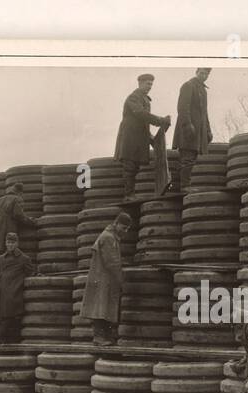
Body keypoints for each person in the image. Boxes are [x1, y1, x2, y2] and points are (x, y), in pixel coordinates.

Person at [114, 73, 171, 201]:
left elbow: (144, 122)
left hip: (139, 138)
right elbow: (141, 114)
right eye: (147, 83)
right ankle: (129, 195)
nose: (150, 86)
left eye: (151, 84)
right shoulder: (133, 97)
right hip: (129, 138)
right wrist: (160, 120)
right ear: (140, 83)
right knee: (129, 166)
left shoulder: (145, 100)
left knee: (135, 167)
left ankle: (131, 194)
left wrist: (152, 139)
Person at [82, 212, 131, 347]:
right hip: (103, 279)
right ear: (116, 224)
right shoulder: (109, 237)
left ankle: (106, 337)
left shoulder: (111, 237)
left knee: (105, 308)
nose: (125, 231)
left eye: (127, 229)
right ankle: (99, 337)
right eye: (123, 228)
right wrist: (121, 280)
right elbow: (112, 263)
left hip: (104, 278)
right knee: (101, 308)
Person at [0, 232, 32, 348]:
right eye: (8, 242)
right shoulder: (1, 259)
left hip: (12, 292)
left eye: (13, 242)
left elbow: (31, 272)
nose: (10, 245)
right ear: (5, 243)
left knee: (7, 317)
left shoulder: (24, 259)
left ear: (17, 243)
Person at [173, 67, 212, 193]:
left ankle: (185, 184)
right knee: (187, 157)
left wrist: (208, 130)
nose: (204, 75)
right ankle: (184, 186)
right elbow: (182, 108)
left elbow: (204, 113)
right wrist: (187, 125)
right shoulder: (188, 85)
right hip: (188, 128)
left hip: (199, 130)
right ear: (196, 72)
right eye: (202, 73)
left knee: (192, 157)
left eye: (206, 74)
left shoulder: (203, 90)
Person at [0, 183, 35, 258]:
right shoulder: (17, 198)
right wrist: (31, 222)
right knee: (8, 250)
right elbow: (18, 215)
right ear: (20, 192)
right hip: (7, 226)